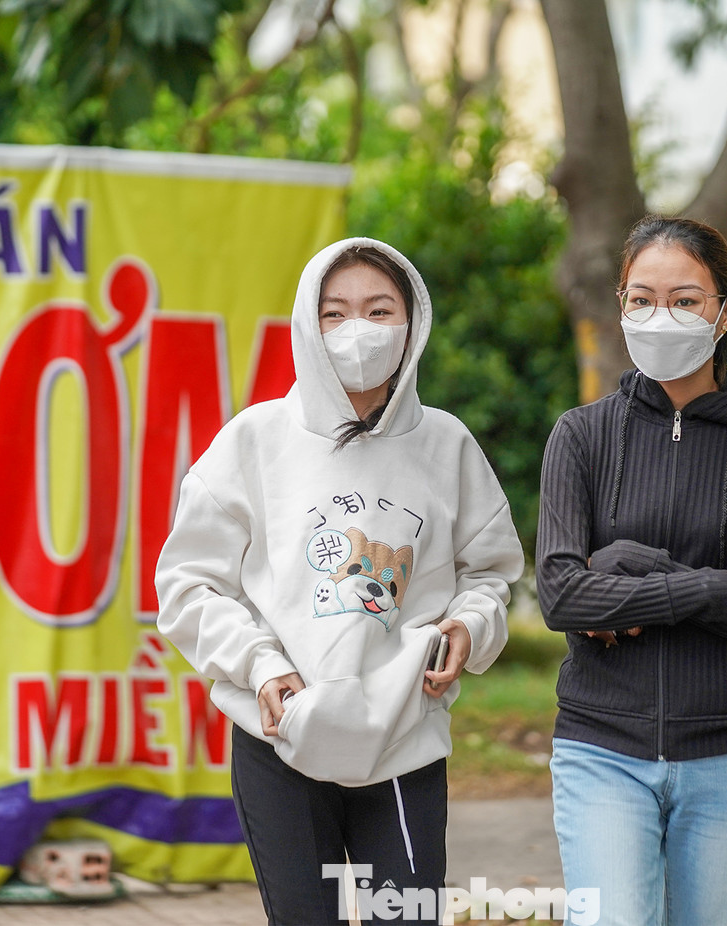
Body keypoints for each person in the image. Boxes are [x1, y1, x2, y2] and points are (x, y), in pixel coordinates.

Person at [156, 237, 525, 925]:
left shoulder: (446, 444)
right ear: (306, 323)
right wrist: (260, 667)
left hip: (403, 735)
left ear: (412, 324)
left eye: (379, 310)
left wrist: (466, 630)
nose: (358, 330)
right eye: (335, 313)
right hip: (279, 739)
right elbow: (188, 585)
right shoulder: (253, 442)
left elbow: (494, 572)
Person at [536, 216, 727, 926]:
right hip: (601, 748)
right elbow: (561, 593)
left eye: (685, 299)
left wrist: (624, 574)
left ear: (725, 313)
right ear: (620, 306)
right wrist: (719, 588)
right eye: (641, 299)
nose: (661, 316)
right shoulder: (580, 436)